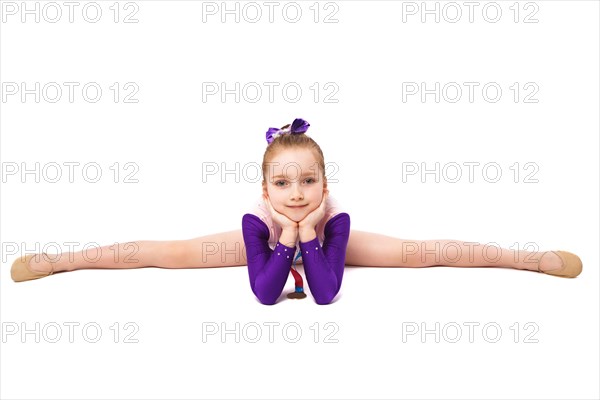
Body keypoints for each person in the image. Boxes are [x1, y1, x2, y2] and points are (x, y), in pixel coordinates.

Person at [10, 118, 583, 305]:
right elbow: (265, 293)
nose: (297, 191)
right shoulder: (257, 220)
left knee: (422, 253)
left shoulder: (334, 218)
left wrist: (311, 230)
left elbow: (327, 292)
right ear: (264, 189)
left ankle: (528, 259)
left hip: (326, 242)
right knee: (170, 253)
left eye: (308, 180)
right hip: (268, 243)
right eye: (283, 182)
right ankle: (63, 261)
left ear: (325, 183)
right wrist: (283, 232)